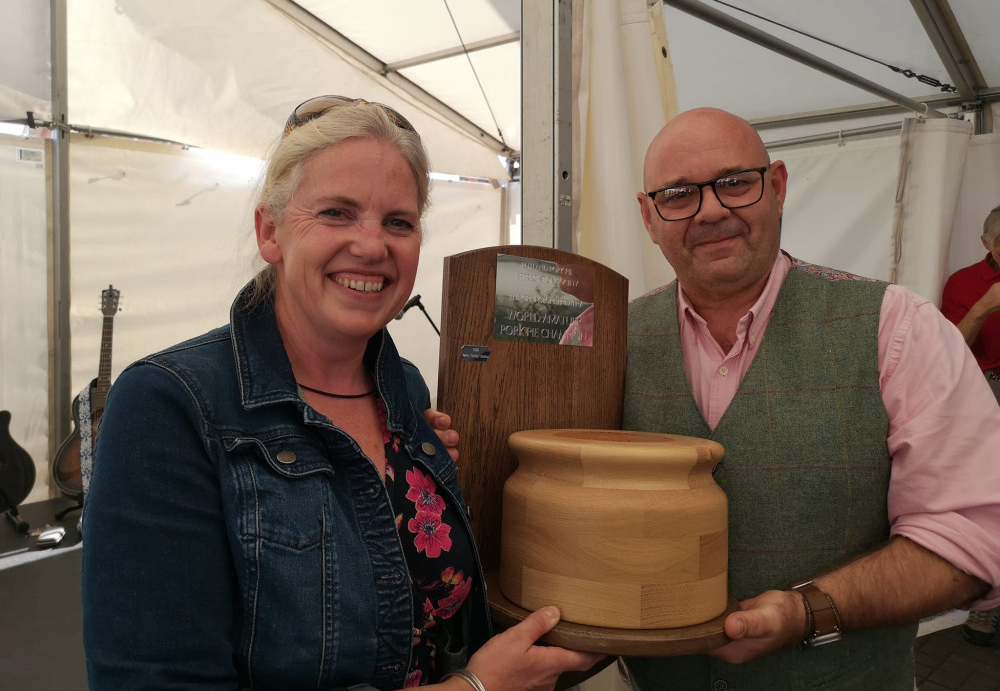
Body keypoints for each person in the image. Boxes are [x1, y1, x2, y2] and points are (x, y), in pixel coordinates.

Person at [81, 95, 601, 690]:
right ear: (270, 230)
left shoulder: (403, 388)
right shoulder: (169, 404)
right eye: (337, 212)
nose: (373, 245)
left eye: (398, 222)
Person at [621, 107, 1000, 689]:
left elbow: (974, 535)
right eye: (677, 194)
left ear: (776, 187)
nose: (712, 209)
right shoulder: (609, 343)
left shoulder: (896, 327)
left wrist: (807, 613)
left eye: (735, 183)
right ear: (649, 217)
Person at [940, 205, 1000, 646]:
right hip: (988, 387)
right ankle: (989, 608)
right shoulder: (963, 282)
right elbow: (947, 354)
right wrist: (985, 306)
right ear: (987, 245)